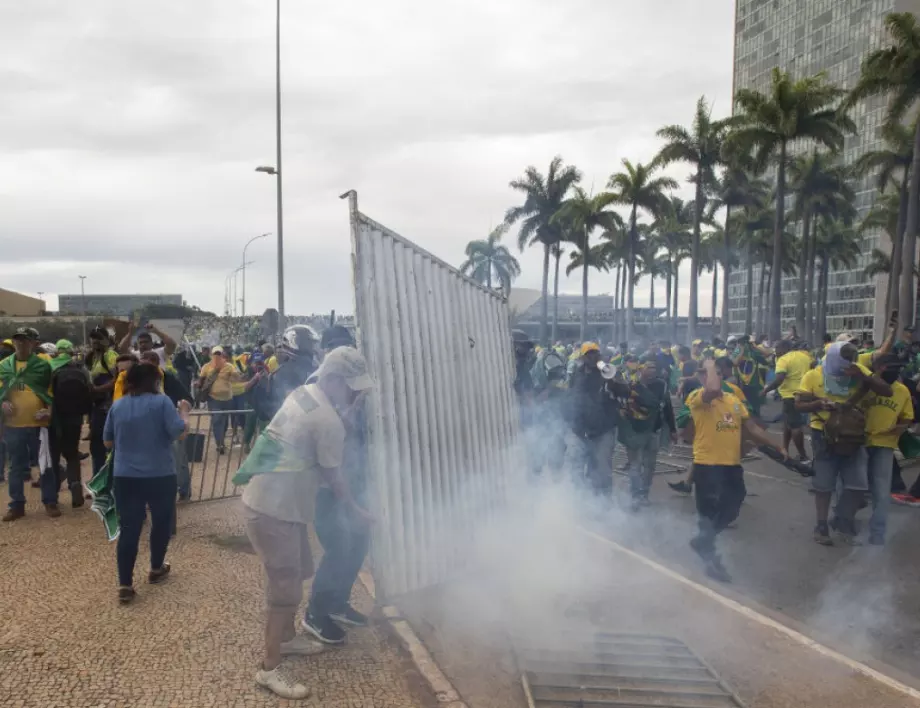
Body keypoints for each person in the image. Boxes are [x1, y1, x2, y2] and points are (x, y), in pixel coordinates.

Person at [234, 347, 375, 700]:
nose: (356, 394)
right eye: (351, 387)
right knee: (286, 588)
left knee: (299, 571)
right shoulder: (326, 420)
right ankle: (268, 668)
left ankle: (287, 639)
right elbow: (335, 477)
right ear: (331, 379)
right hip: (273, 511)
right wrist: (359, 511)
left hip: (278, 505)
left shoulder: (305, 393)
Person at [687, 359, 785, 582]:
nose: (712, 378)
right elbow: (711, 389)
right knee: (707, 514)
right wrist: (709, 364)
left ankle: (703, 543)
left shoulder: (733, 400)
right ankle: (711, 561)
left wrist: (776, 444)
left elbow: (750, 428)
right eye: (708, 375)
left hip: (731, 464)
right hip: (706, 464)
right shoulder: (697, 399)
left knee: (733, 505)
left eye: (717, 374)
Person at [103, 363, 190, 603]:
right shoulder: (162, 402)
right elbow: (179, 432)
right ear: (153, 381)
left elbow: (108, 443)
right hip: (160, 474)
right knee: (160, 522)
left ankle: (125, 584)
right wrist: (184, 411)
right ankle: (155, 567)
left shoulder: (117, 406)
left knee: (130, 528)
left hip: (126, 476)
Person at [796, 342, 892, 546]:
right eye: (842, 363)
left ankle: (841, 518)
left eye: (849, 362)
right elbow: (799, 405)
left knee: (858, 485)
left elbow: (887, 391)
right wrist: (819, 403)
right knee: (824, 484)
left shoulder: (858, 370)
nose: (845, 368)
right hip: (823, 434)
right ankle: (821, 526)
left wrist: (863, 376)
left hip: (853, 435)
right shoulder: (813, 375)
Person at [0, 328, 58, 521]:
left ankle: (50, 501)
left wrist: (48, 411)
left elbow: (50, 392)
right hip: (12, 425)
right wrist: (2, 403)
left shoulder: (43, 366)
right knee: (15, 467)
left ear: (34, 343)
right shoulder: (3, 366)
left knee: (45, 465)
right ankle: (16, 505)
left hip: (37, 424)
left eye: (25, 340)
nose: (21, 343)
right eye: (18, 340)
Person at [862, 355, 914, 545]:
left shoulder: (902, 391)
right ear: (878, 367)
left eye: (897, 369)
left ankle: (877, 532)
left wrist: (898, 429)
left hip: (885, 444)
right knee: (852, 484)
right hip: (859, 442)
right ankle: (844, 520)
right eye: (889, 367)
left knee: (881, 490)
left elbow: (907, 417)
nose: (894, 372)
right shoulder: (865, 386)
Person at [616, 354, 677, 510]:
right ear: (641, 368)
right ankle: (635, 495)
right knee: (635, 465)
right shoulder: (630, 385)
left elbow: (667, 406)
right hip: (635, 431)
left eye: (655, 368)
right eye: (649, 367)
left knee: (650, 465)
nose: (653, 370)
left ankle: (644, 494)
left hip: (654, 430)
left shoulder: (661, 385)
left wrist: (672, 429)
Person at [565, 342, 618, 495]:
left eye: (595, 353)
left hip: (603, 430)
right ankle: (581, 501)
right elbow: (572, 394)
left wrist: (611, 379)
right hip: (579, 429)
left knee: (602, 468)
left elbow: (623, 391)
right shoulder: (577, 373)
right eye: (589, 354)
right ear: (583, 357)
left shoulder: (606, 372)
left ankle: (603, 502)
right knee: (576, 466)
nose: (593, 356)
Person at [48, 339, 92, 508]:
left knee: (53, 455)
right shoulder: (80, 369)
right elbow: (89, 390)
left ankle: (53, 496)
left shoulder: (50, 367)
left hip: (55, 418)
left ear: (57, 352)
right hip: (75, 419)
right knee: (72, 454)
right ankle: (76, 491)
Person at [762, 339, 810, 460]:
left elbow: (779, 379)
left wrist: (765, 391)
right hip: (805, 394)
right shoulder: (803, 356)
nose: (775, 351)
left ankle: (803, 456)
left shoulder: (783, 359)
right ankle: (785, 449)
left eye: (777, 348)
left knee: (795, 426)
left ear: (784, 348)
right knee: (788, 423)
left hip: (791, 396)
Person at [85, 326, 119, 477]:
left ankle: (109, 480)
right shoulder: (91, 357)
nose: (95, 341)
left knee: (108, 444)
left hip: (109, 407)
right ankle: (98, 480)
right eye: (93, 337)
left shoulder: (111, 356)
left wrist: (97, 390)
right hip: (96, 407)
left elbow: (117, 379)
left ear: (107, 340)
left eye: (99, 337)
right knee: (96, 446)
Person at [197, 346, 242, 454]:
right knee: (217, 420)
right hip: (213, 399)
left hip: (227, 399)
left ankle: (221, 439)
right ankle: (220, 444)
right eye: (215, 354)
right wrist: (199, 385)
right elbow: (201, 381)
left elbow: (236, 378)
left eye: (219, 354)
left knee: (225, 422)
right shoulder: (206, 367)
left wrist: (236, 374)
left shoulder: (229, 366)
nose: (217, 356)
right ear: (212, 355)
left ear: (222, 355)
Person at [731, 335, 768, 419]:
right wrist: (741, 350)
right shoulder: (737, 350)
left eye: (746, 342)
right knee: (741, 404)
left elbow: (767, 354)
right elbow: (735, 362)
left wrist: (755, 346)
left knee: (755, 406)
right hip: (740, 383)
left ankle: (756, 420)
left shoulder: (752, 351)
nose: (744, 344)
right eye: (742, 342)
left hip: (753, 383)